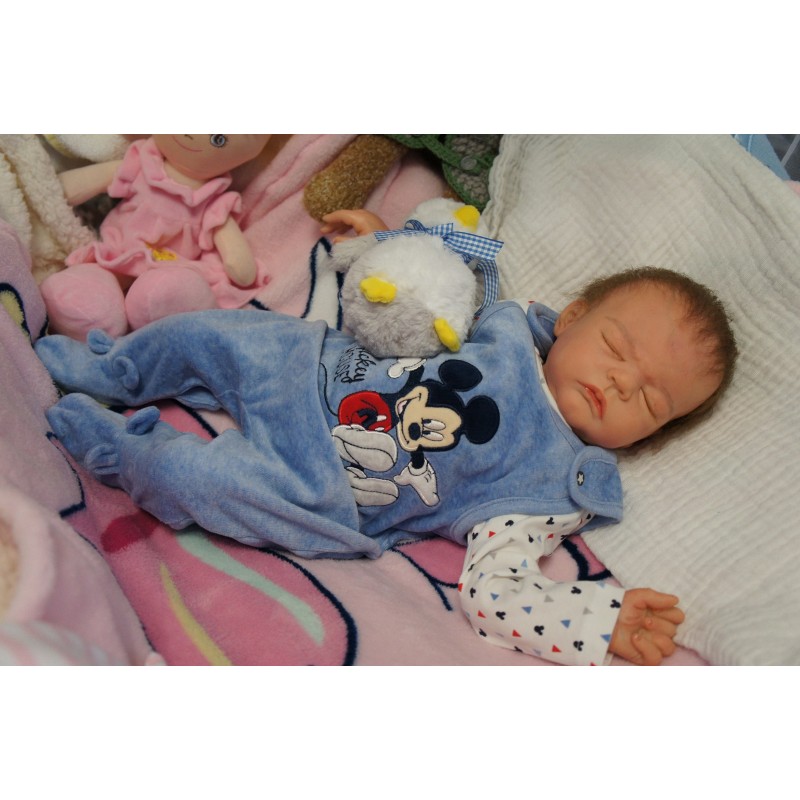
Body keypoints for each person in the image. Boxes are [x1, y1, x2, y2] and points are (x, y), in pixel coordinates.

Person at [34, 210, 737, 667]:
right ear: (573, 318)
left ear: (654, 434)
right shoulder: (505, 325)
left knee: (204, 485)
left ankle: (123, 452)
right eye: (616, 348)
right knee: (207, 334)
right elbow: (425, 293)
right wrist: (385, 242)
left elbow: (495, 594)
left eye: (652, 400)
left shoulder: (550, 486)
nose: (620, 383)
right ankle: (113, 368)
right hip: (312, 365)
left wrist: (596, 617)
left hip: (326, 482)